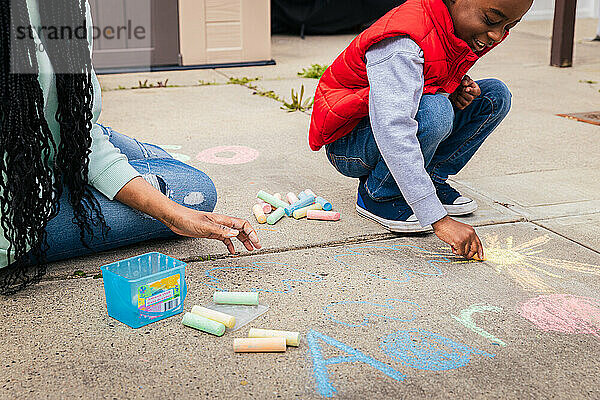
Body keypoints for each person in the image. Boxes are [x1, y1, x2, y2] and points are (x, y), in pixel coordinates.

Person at [0, 0, 261, 295]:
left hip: (59, 143)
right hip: (15, 201)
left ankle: (88, 174)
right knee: (194, 189)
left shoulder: (68, 5)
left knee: (174, 179)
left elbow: (80, 131)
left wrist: (172, 213)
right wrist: (171, 213)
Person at [308, 0, 533, 260]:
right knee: (436, 112)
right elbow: (394, 127)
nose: (496, 35)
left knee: (495, 95)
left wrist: (451, 91)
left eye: (509, 26)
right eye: (492, 20)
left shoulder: (450, 25)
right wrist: (439, 220)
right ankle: (379, 195)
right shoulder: (403, 42)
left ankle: (432, 179)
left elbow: (421, 84)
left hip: (381, 124)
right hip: (349, 143)